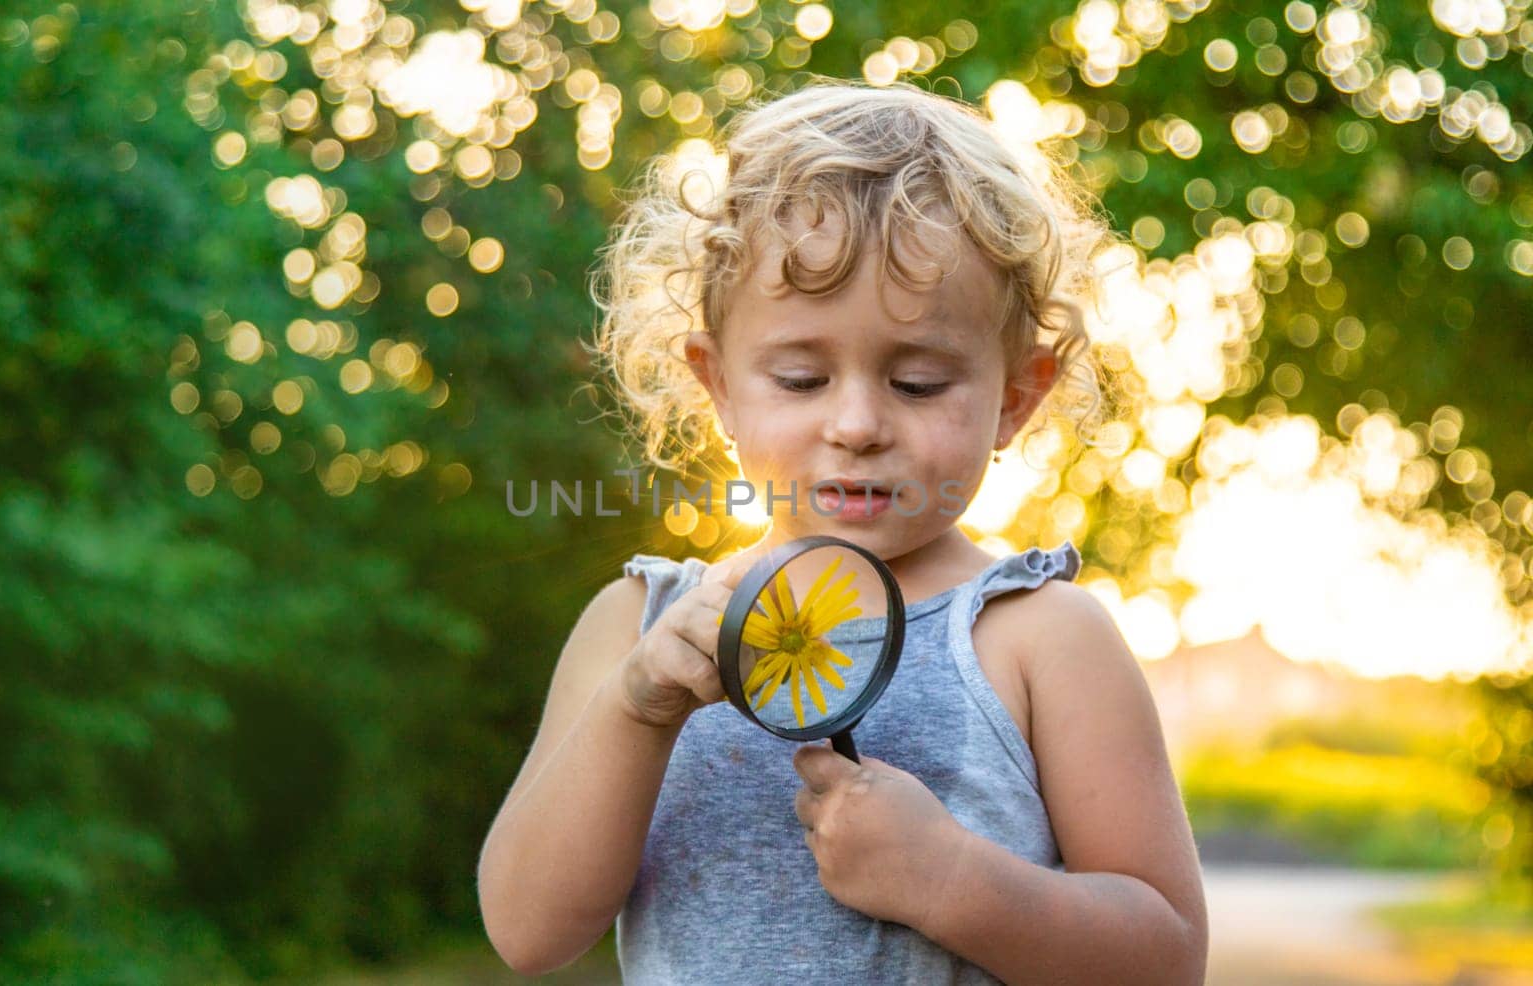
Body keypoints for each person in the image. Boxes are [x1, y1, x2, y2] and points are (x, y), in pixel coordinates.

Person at [477, 77, 1207, 985]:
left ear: (1016, 396)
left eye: (918, 384)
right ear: (719, 386)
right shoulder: (639, 627)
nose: (858, 423)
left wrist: (953, 881)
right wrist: (637, 709)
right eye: (799, 379)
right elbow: (526, 932)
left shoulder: (1041, 636)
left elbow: (1166, 958)